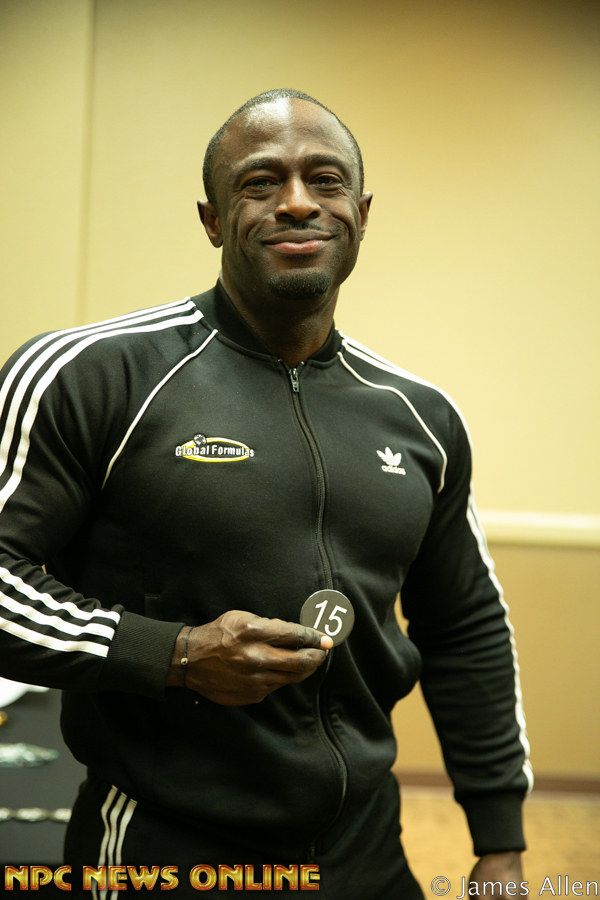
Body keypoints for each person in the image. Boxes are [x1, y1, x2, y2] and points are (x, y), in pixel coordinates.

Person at [0, 89, 532, 898]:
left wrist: (500, 843)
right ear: (213, 220)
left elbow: (465, 629)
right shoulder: (91, 375)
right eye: (260, 182)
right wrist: (176, 655)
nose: (297, 202)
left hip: (365, 855)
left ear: (361, 214)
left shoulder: (419, 417)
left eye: (325, 179)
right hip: (164, 851)